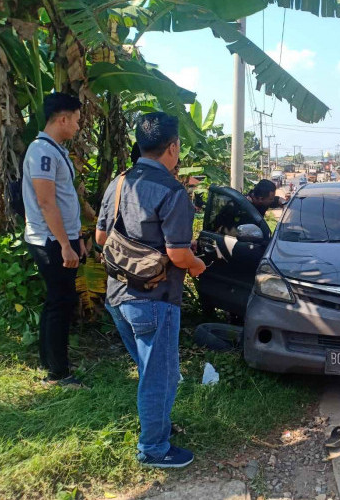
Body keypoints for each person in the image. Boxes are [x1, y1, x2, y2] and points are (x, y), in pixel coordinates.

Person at [95, 112, 206, 468]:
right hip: (154, 301)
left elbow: (100, 237)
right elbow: (177, 253)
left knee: (153, 371)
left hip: (117, 296)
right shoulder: (173, 191)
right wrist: (197, 265)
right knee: (159, 375)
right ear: (173, 148)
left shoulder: (119, 183)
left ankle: (157, 425)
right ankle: (154, 449)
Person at [23, 92, 85, 388]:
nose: (77, 126)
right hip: (50, 240)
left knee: (56, 302)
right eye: (75, 120)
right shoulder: (43, 152)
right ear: (62, 119)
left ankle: (50, 362)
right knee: (61, 302)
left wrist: (77, 237)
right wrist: (64, 244)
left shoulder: (53, 149)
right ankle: (59, 374)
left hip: (61, 237)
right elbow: (46, 202)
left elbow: (63, 197)